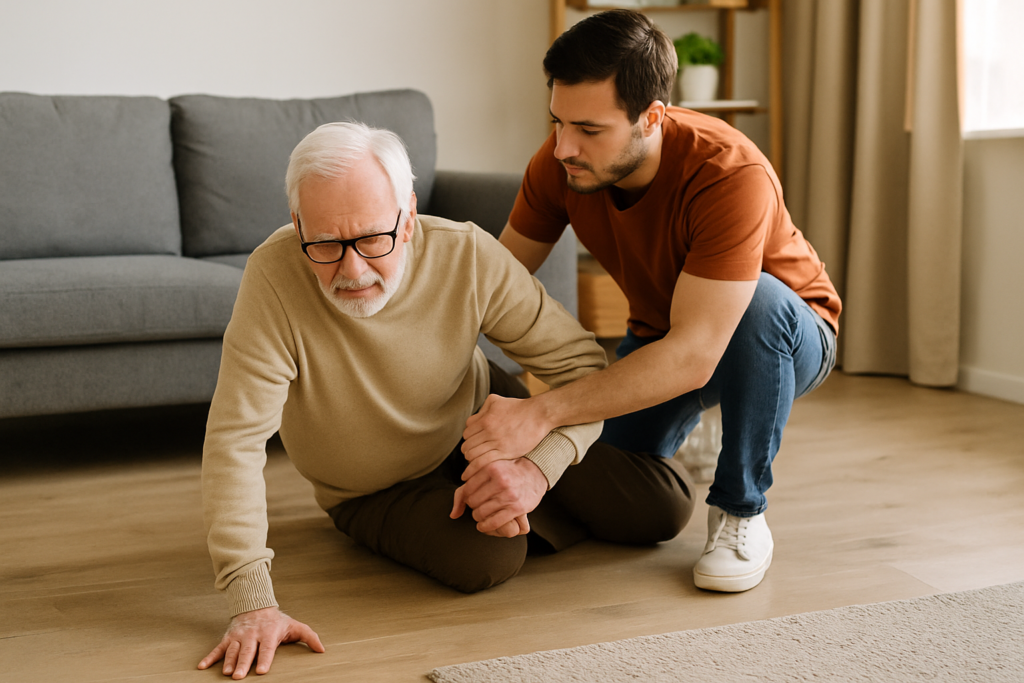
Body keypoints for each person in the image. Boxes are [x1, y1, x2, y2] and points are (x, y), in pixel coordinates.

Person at [197, 121, 695, 679]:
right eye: (326, 245)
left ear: (408, 217)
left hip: (482, 424)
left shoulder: (465, 253)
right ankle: (517, 508)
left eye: (371, 239)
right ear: (297, 226)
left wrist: (537, 466)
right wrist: (252, 602)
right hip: (374, 489)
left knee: (666, 507)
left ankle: (517, 496)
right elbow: (234, 442)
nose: (352, 270)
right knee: (486, 559)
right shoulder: (273, 277)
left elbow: (578, 364)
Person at [461, 10, 841, 595]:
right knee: (608, 464)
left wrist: (542, 410)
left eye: (589, 129)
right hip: (666, 333)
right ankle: (685, 438)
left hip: (788, 330)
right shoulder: (560, 162)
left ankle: (741, 511)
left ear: (652, 117)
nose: (564, 146)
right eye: (558, 121)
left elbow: (694, 354)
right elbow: (495, 282)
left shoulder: (730, 173)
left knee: (757, 303)